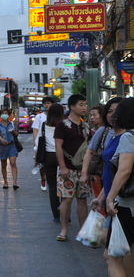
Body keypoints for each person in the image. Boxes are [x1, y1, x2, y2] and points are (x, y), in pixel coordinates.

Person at [91, 98, 134, 276]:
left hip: (127, 205)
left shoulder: (128, 137)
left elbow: (124, 170)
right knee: (129, 254)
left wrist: (110, 198)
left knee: (112, 257)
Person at [54, 94, 91, 242]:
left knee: (82, 200)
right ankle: (64, 230)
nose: (84, 107)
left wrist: (86, 171)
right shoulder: (62, 125)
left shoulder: (86, 125)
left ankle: (83, 231)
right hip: (67, 170)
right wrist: (62, 167)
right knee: (67, 200)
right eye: (81, 104)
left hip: (83, 170)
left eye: (85, 104)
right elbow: (58, 146)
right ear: (72, 107)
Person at [82, 97, 123, 199]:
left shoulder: (129, 134)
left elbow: (124, 170)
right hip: (105, 179)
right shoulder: (104, 131)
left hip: (124, 186)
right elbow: (90, 151)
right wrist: (84, 173)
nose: (113, 114)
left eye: (117, 110)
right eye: (109, 111)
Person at [38, 103, 65, 221]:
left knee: (52, 186)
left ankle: (56, 214)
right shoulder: (64, 125)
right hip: (63, 157)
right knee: (64, 186)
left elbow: (39, 141)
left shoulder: (44, 125)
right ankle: (65, 213)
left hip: (49, 157)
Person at [32, 97, 55, 191]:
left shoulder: (56, 116)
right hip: (42, 143)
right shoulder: (39, 117)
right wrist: (35, 143)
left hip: (53, 143)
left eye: (49, 103)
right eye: (45, 103)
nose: (47, 105)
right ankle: (43, 179)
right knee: (42, 163)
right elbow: (35, 130)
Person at [0, 108, 19, 190]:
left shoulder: (12, 124)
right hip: (2, 147)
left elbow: (16, 134)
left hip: (12, 146)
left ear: (9, 115)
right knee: (3, 164)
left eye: (6, 113)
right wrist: (2, 140)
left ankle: (15, 183)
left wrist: (12, 131)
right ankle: (5, 182)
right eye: (3, 113)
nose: (4, 115)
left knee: (13, 162)